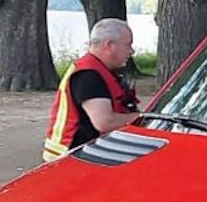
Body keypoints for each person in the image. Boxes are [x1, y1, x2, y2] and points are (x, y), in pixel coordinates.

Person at [44, 19, 142, 161]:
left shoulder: (97, 70)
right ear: (109, 45)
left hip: (81, 153)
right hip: (70, 156)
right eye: (128, 45)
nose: (131, 51)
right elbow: (105, 122)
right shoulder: (89, 76)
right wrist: (142, 118)